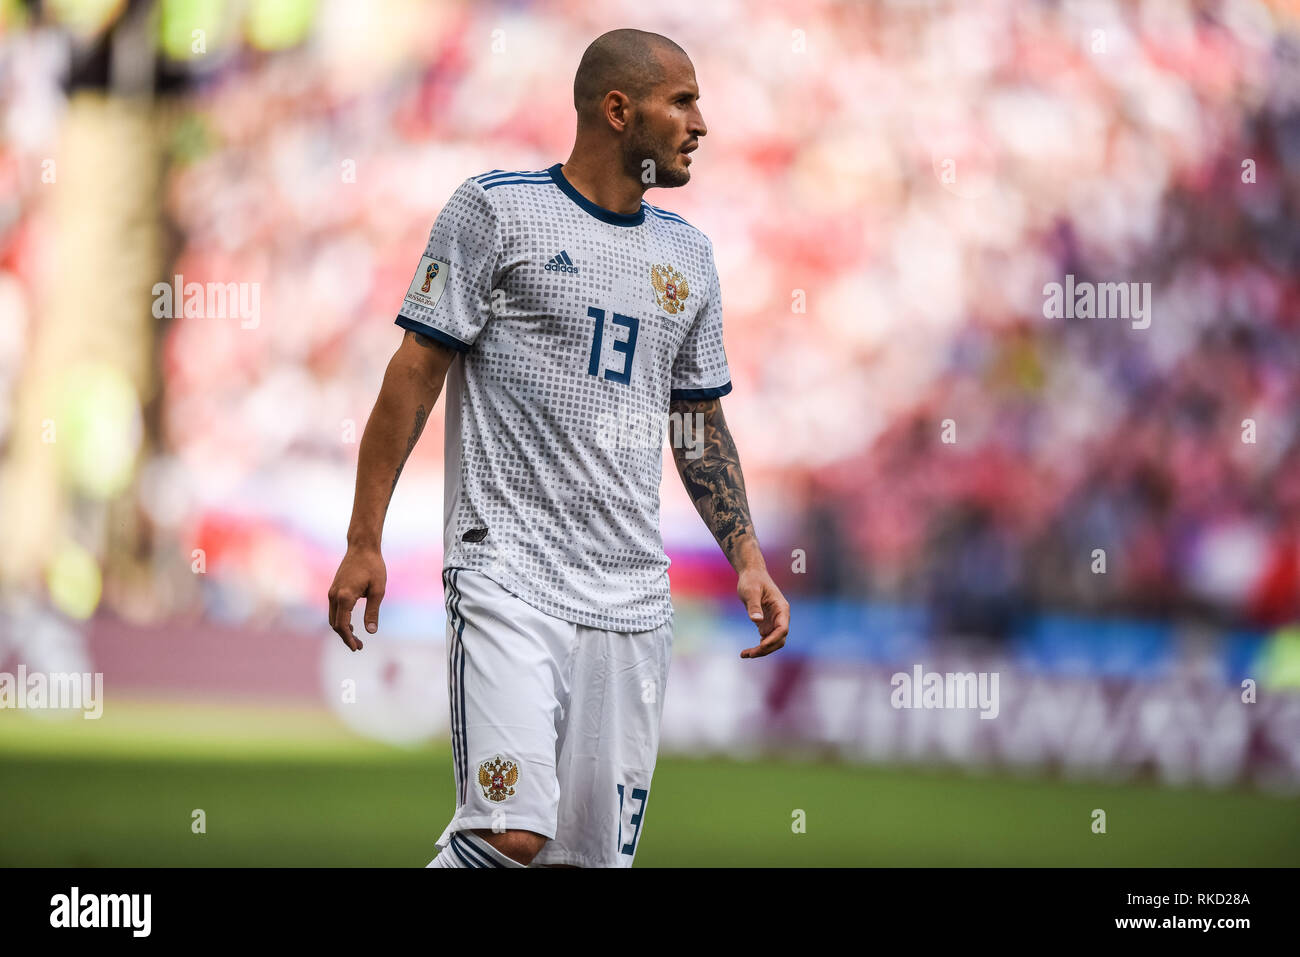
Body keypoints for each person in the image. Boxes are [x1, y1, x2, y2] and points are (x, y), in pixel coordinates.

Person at [327, 28, 789, 868]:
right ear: (619, 111)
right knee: (509, 835)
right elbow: (414, 374)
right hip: (508, 569)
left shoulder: (689, 254)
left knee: (583, 863)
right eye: (682, 101)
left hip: (631, 597)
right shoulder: (497, 210)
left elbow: (696, 421)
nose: (701, 123)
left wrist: (746, 552)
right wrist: (365, 537)